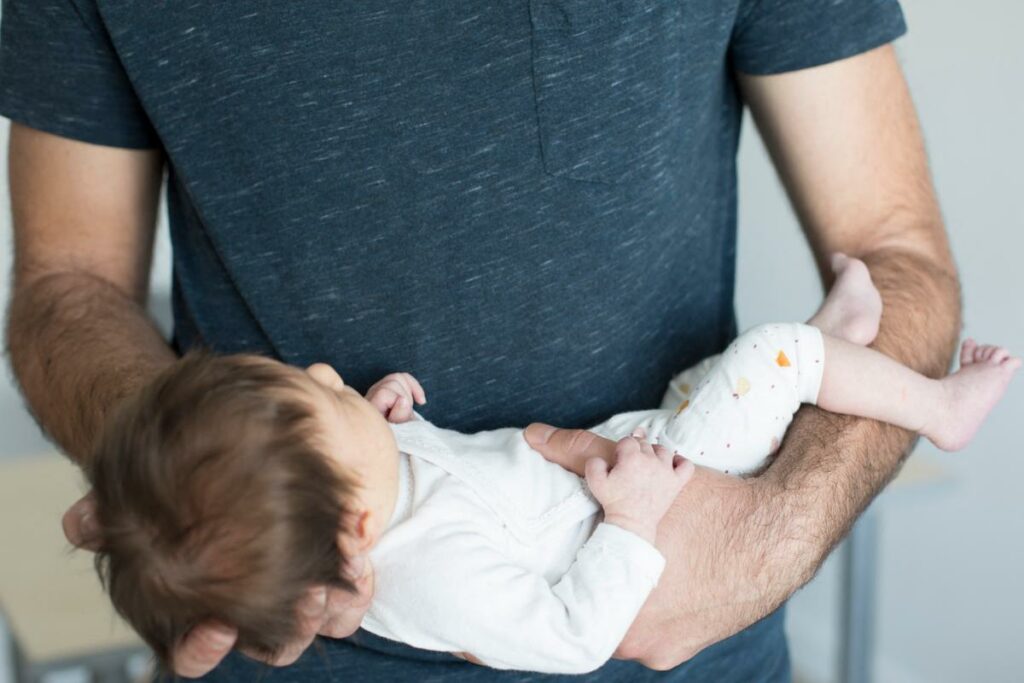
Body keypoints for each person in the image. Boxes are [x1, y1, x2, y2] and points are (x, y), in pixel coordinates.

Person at [1, 1, 962, 680]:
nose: (328, 377)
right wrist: (178, 479)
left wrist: (776, 532)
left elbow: (894, 253)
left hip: (692, 653)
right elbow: (66, 284)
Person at [84, 256, 1012, 676]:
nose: (329, 370)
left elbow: (403, 471)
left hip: (631, 435)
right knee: (769, 356)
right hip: (661, 487)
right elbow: (572, 638)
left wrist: (377, 419)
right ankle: (937, 406)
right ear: (357, 532)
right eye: (325, 399)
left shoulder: (359, 499)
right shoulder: (440, 579)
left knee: (722, 374)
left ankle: (831, 351)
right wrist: (637, 521)